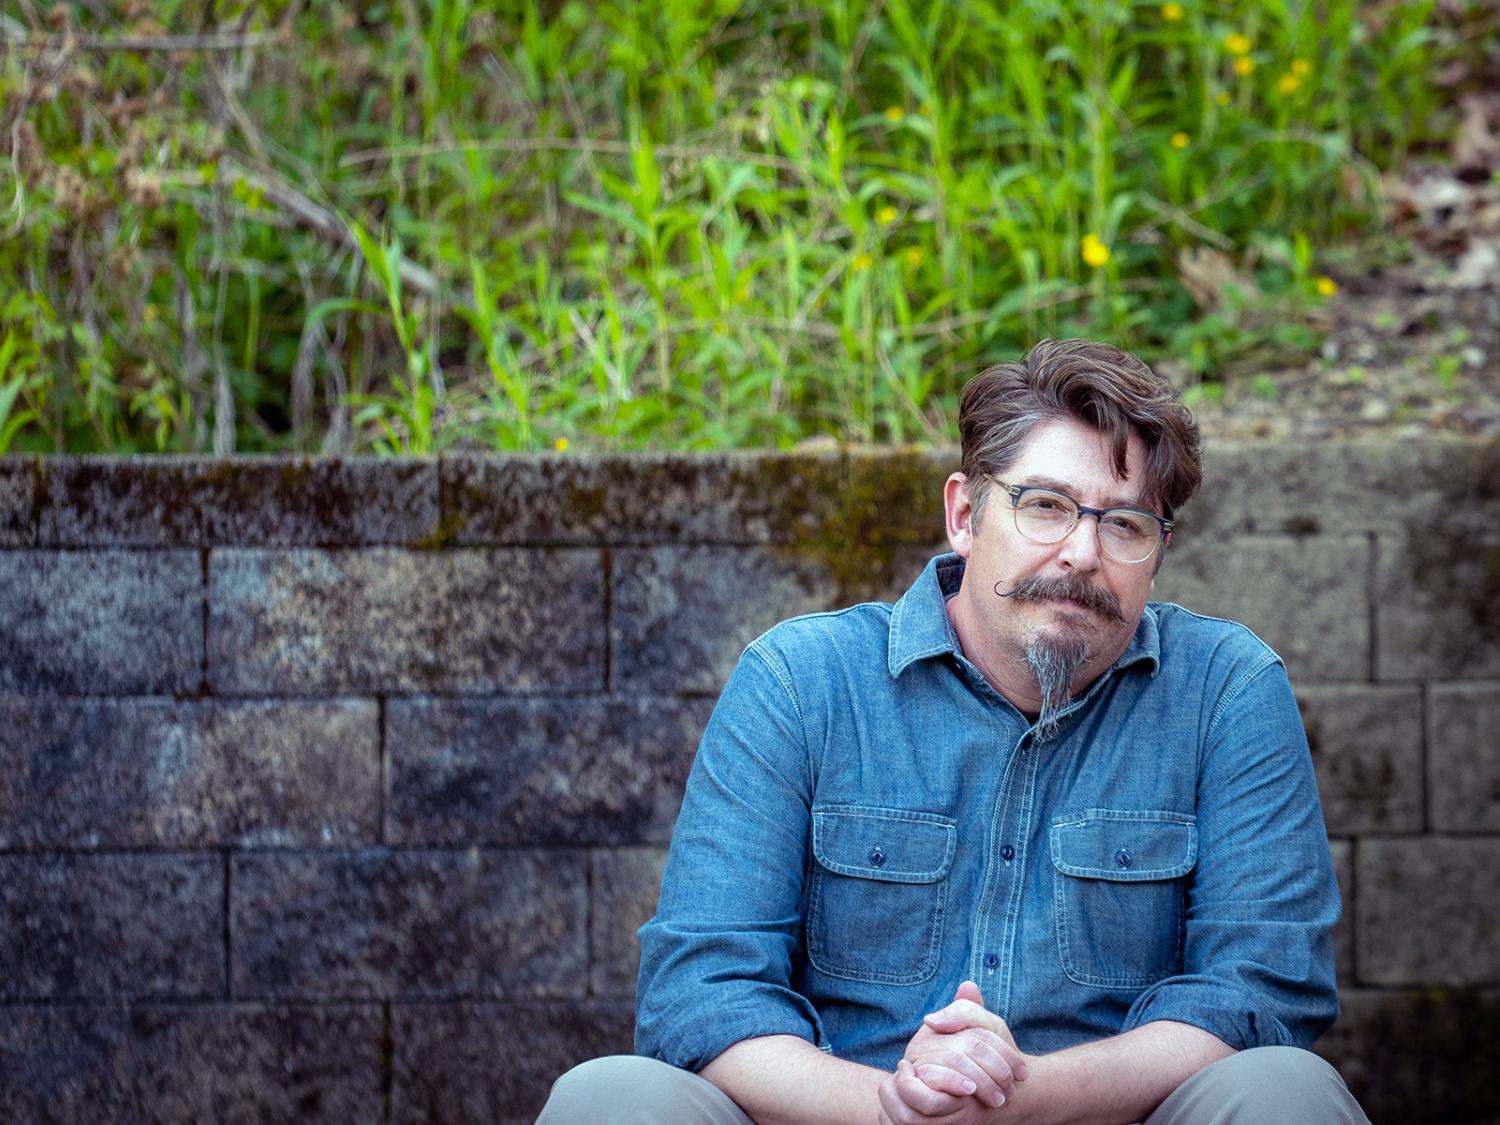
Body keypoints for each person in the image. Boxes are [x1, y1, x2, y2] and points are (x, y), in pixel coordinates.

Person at [538, 339, 1368, 1125]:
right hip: (848, 1113)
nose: (1082, 551)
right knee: (607, 1097)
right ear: (965, 512)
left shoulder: (1227, 691)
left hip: (1103, 1115)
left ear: (1157, 551)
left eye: (1125, 524)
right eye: (1045, 504)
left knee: (1285, 1088)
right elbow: (701, 992)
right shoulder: (800, 682)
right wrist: (899, 1105)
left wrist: (1025, 1094)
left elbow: (1261, 989)